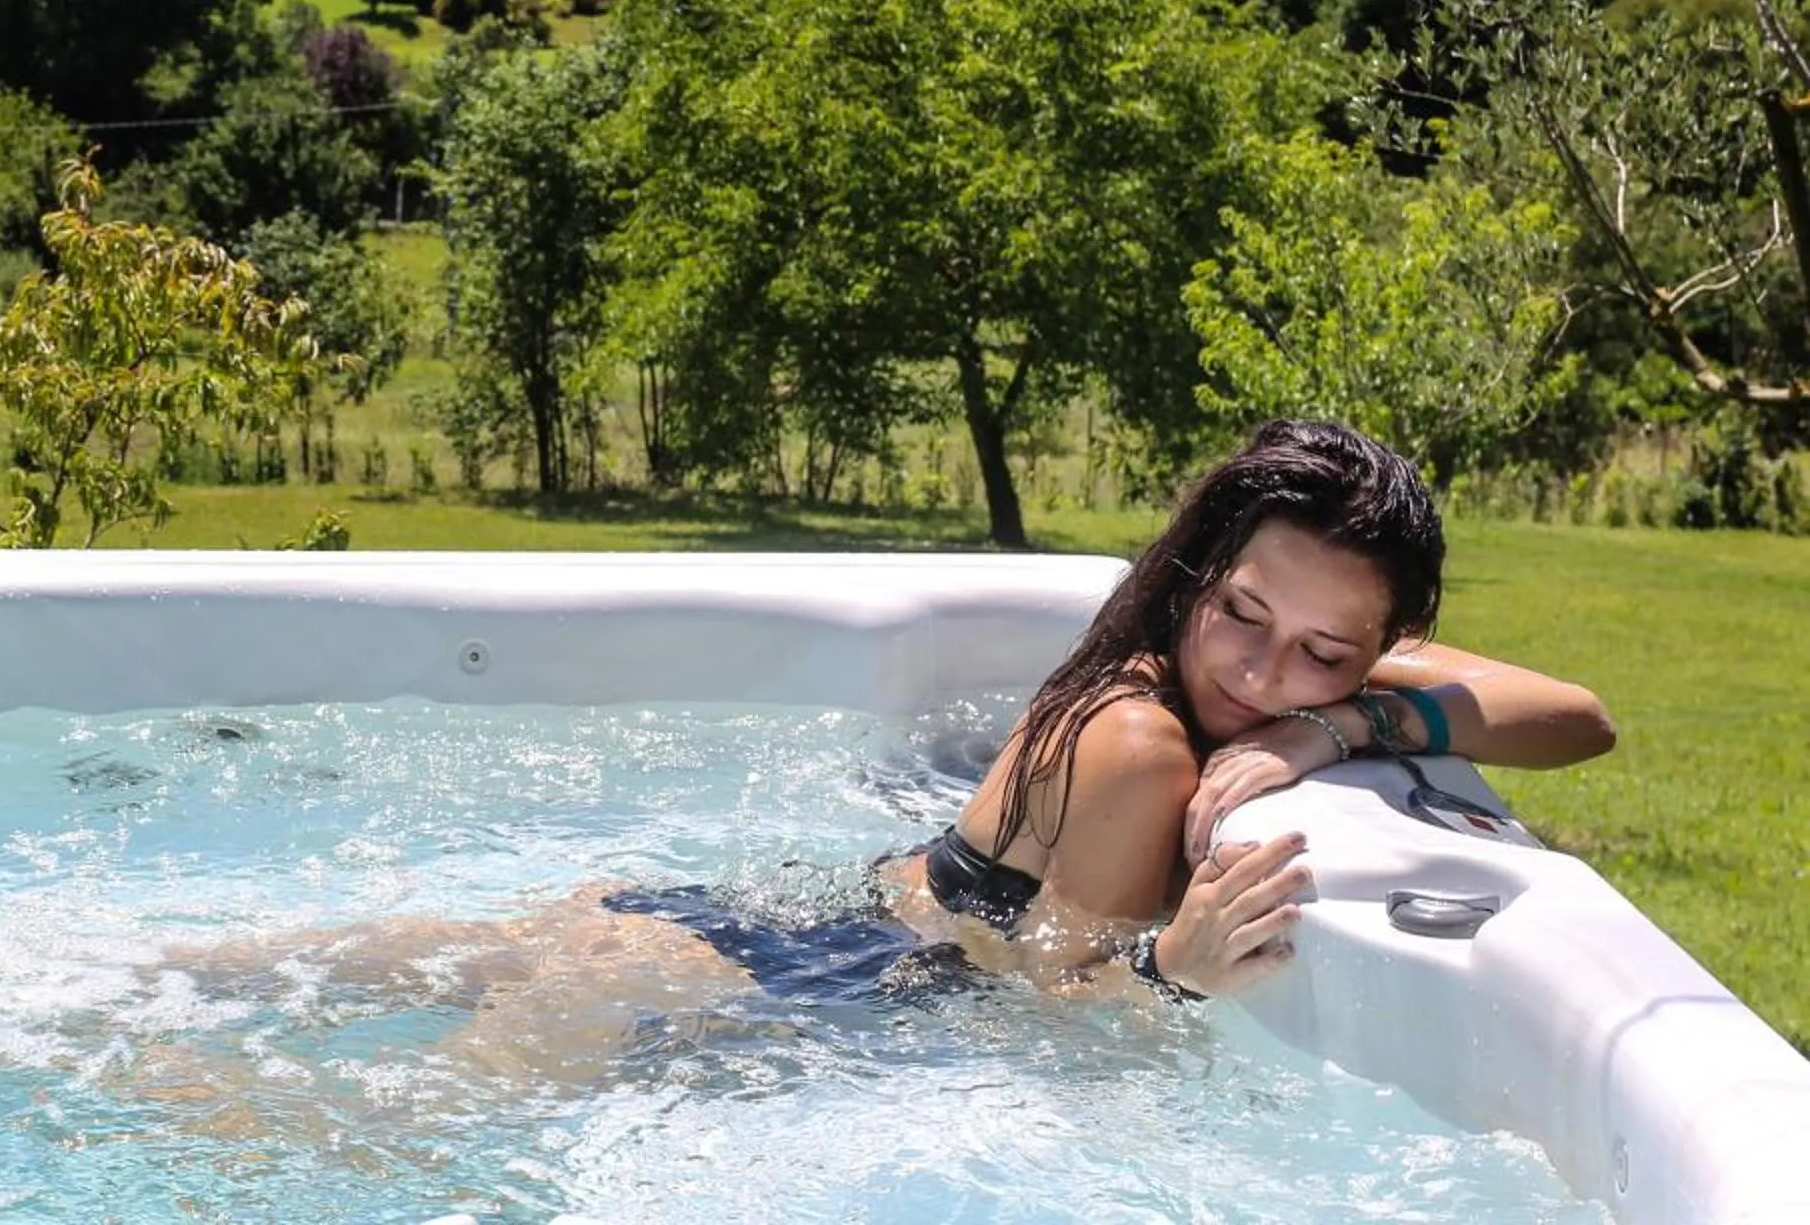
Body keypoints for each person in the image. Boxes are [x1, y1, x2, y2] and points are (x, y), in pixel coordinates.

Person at [148, 419, 1617, 1094]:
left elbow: (1576, 715)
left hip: (762, 915)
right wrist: (1176, 970)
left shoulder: (1187, 669)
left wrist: (1348, 725)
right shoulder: (1141, 743)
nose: (1262, 672)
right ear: (1196, 577)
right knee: (366, 1142)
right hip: (771, 976)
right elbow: (1053, 1003)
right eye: (1243, 616)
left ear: (1376, 646)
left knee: (227, 987)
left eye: (1323, 652)